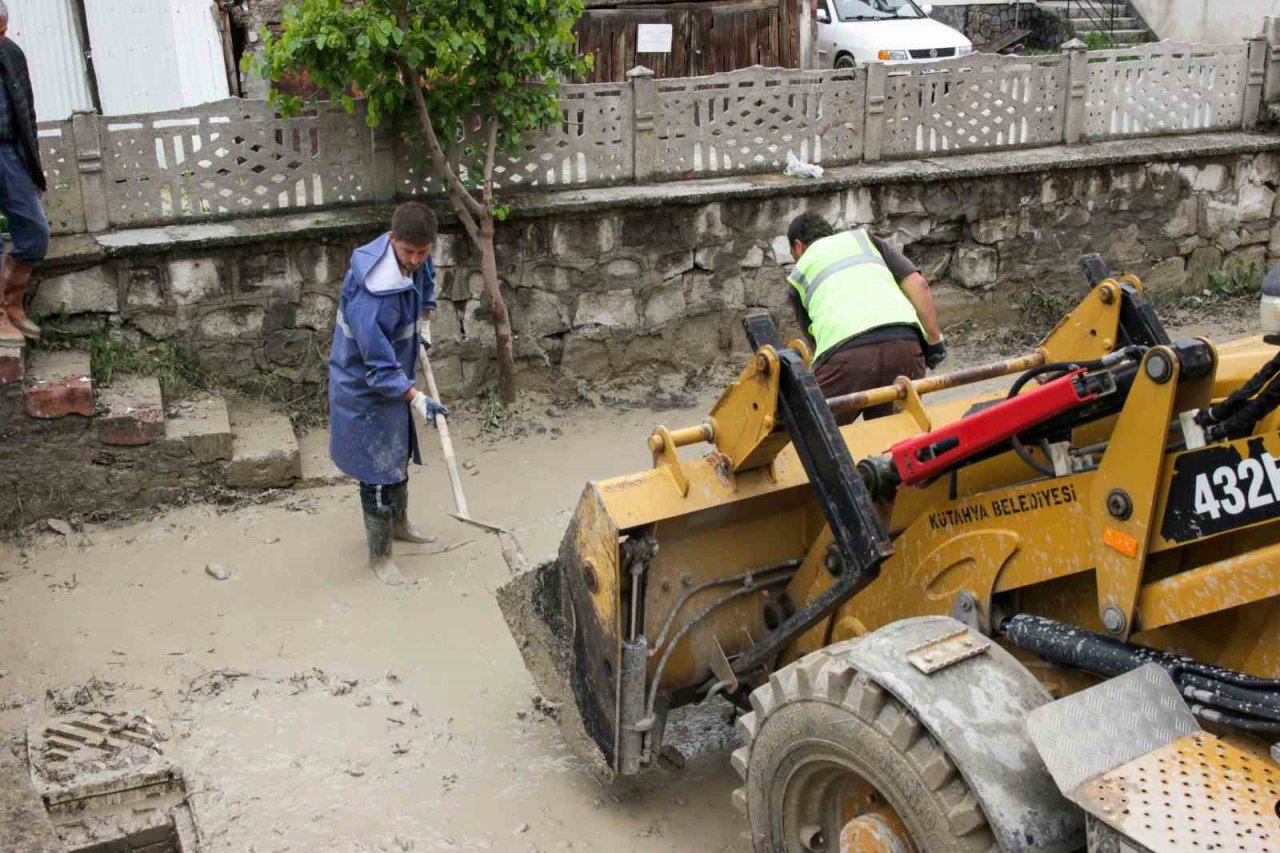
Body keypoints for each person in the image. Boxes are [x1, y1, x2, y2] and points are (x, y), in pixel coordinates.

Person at [329, 202, 449, 586]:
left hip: (394, 375)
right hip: (363, 386)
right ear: (391, 239)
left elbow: (425, 287)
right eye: (408, 251)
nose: (415, 259)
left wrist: (424, 325)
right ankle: (379, 557)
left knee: (396, 454)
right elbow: (377, 368)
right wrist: (416, 397)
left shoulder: (417, 260)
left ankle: (400, 527)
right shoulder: (372, 296)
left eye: (422, 251)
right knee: (377, 470)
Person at [785, 213, 946, 419]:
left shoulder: (798, 275)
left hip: (846, 358)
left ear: (798, 246)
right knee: (896, 438)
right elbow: (919, 284)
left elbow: (816, 344)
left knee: (818, 434)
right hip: (905, 347)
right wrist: (934, 342)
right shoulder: (865, 240)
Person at [0, 1, 49, 344]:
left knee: (34, 231)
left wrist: (32, 165)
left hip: (8, 153)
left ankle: (11, 302)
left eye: (3, 30)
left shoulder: (12, 53)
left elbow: (27, 112)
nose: (2, 37)